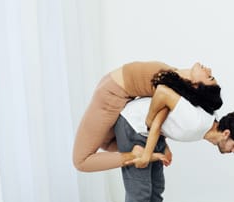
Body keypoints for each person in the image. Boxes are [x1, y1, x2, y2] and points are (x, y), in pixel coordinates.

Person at [72, 61, 222, 172]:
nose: (208, 69)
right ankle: (136, 151)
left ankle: (133, 155)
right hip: (112, 93)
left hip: (110, 97)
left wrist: (152, 149)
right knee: (107, 143)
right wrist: (162, 146)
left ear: (196, 85)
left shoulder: (170, 89)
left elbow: (157, 121)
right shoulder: (175, 78)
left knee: (81, 161)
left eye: (209, 76)